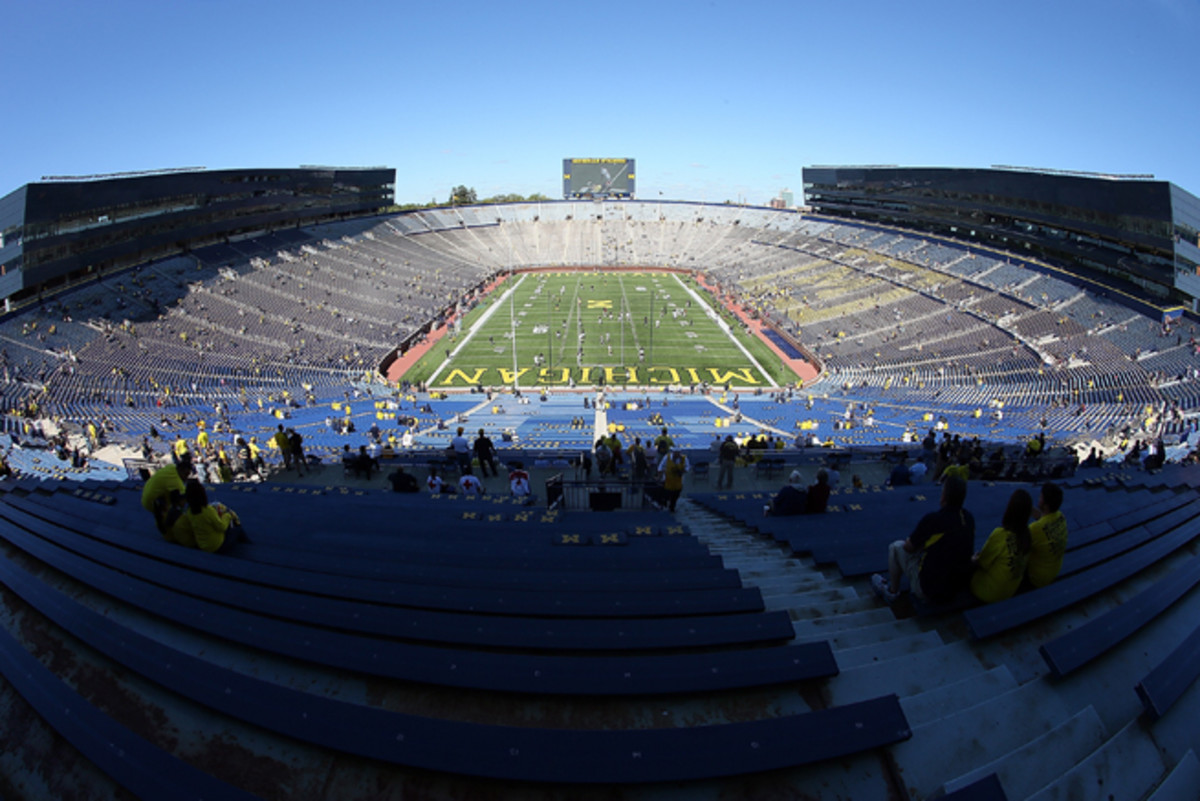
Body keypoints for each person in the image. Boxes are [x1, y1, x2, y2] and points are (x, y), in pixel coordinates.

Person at [872, 475, 974, 604]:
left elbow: (908, 547)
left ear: (944, 496)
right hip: (956, 587)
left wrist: (913, 540)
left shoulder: (934, 520)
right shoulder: (969, 518)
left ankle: (892, 592)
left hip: (931, 591)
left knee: (895, 547)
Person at [970, 489, 1033, 603]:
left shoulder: (1000, 534)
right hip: (1009, 591)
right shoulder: (1028, 537)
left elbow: (982, 563)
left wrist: (974, 559)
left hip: (988, 592)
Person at [169, 479, 250, 554]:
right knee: (237, 529)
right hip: (217, 546)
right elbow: (221, 527)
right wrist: (228, 515)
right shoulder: (207, 510)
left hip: (203, 546)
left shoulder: (189, 512)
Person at [1027, 482, 1068, 588]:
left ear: (1045, 505)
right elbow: (1046, 523)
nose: (1039, 498)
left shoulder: (1035, 528)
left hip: (1037, 578)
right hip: (1054, 570)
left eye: (1041, 497)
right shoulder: (1060, 516)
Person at [141, 456, 194, 534]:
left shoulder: (171, 467)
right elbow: (180, 500)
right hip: (151, 502)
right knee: (176, 506)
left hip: (145, 494)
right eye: (185, 474)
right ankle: (165, 527)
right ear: (180, 470)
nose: (186, 478)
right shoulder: (176, 482)